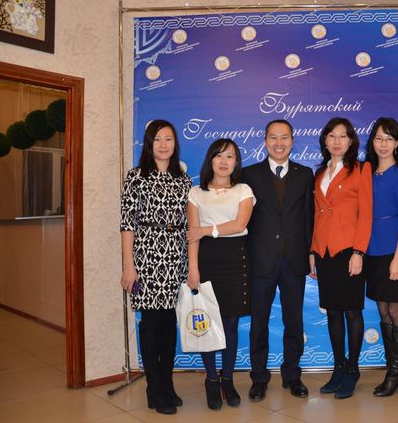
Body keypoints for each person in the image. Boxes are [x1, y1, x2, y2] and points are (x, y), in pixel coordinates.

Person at [120, 119, 192, 415]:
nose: (163, 144)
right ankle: (154, 387)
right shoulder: (136, 176)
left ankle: (166, 384)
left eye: (169, 139)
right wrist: (129, 266)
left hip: (176, 257)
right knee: (151, 325)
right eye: (157, 139)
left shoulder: (183, 180)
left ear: (175, 144)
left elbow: (190, 224)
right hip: (146, 257)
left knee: (169, 324)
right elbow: (127, 223)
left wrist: (190, 264)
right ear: (149, 144)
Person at [242, 120, 314, 402]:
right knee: (259, 322)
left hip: (294, 260)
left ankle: (292, 376)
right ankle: (259, 378)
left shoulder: (305, 174)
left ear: (292, 141)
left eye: (284, 137)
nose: (279, 143)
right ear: (265, 140)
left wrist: (311, 254)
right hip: (261, 260)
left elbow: (309, 218)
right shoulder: (249, 174)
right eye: (273, 137)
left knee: (293, 321)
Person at [186, 139, 255, 411]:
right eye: (219, 156)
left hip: (236, 260)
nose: (224, 161)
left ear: (236, 162)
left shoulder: (243, 190)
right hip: (206, 261)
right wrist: (193, 268)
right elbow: (192, 235)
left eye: (230, 156)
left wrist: (206, 230)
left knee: (230, 324)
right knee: (206, 323)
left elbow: (239, 224)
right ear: (210, 160)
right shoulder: (196, 193)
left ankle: (227, 378)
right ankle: (211, 379)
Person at [309, 117, 372, 399]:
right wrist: (313, 251)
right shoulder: (319, 173)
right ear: (325, 140)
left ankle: (353, 369)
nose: (337, 141)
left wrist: (359, 252)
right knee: (333, 311)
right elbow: (317, 216)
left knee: (352, 311)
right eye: (332, 136)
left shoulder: (361, 169)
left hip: (349, 251)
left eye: (343, 136)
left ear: (351, 141)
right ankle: (338, 367)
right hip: (324, 252)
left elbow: (366, 214)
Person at [363, 117, 398, 397]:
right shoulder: (367, 171)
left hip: (393, 249)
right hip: (371, 249)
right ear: (372, 142)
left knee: (395, 310)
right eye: (379, 139)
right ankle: (392, 370)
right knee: (382, 309)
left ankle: (396, 373)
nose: (383, 144)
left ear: (397, 143)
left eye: (389, 139)